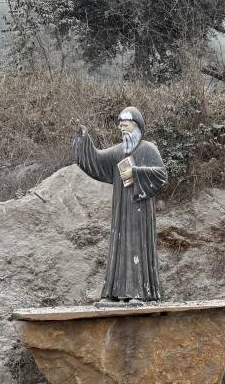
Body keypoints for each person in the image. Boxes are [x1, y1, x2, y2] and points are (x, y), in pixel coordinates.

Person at [71, 107, 169, 304]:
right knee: (118, 247)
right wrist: (83, 140)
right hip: (120, 210)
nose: (122, 128)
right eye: (121, 125)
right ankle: (114, 293)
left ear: (138, 126)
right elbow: (96, 161)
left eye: (126, 124)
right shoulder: (118, 151)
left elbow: (161, 175)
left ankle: (139, 293)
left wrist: (136, 173)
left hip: (140, 210)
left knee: (137, 246)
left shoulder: (148, 149)